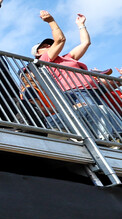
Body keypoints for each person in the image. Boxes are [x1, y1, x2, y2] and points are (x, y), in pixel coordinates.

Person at [33, 11, 122, 140]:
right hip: (76, 92)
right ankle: (106, 140)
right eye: (43, 46)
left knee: (105, 113)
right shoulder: (45, 59)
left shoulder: (66, 57)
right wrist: (51, 21)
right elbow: (60, 40)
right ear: (37, 53)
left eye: (48, 44)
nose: (48, 46)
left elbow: (85, 43)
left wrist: (81, 25)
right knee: (97, 116)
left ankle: (116, 138)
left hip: (92, 90)